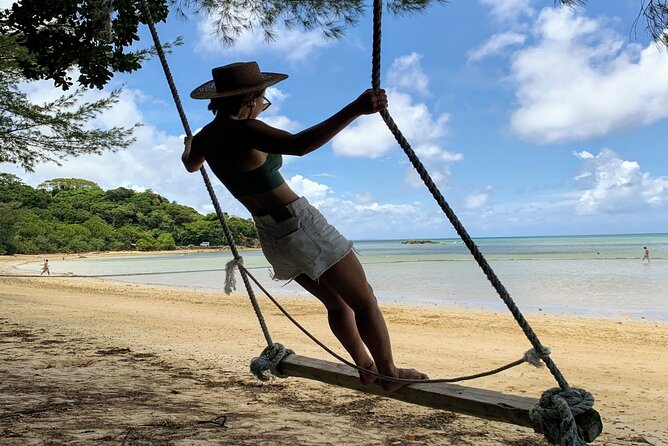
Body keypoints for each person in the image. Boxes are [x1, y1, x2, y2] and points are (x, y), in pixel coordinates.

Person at [182, 61, 428, 391]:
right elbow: (299, 144)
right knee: (364, 301)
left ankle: (367, 367)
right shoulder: (245, 130)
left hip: (272, 238)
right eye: (263, 99)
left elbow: (190, 164)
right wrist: (355, 109)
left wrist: (188, 146)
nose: (262, 106)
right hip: (299, 224)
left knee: (337, 304)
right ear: (250, 99)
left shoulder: (205, 138)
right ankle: (389, 374)